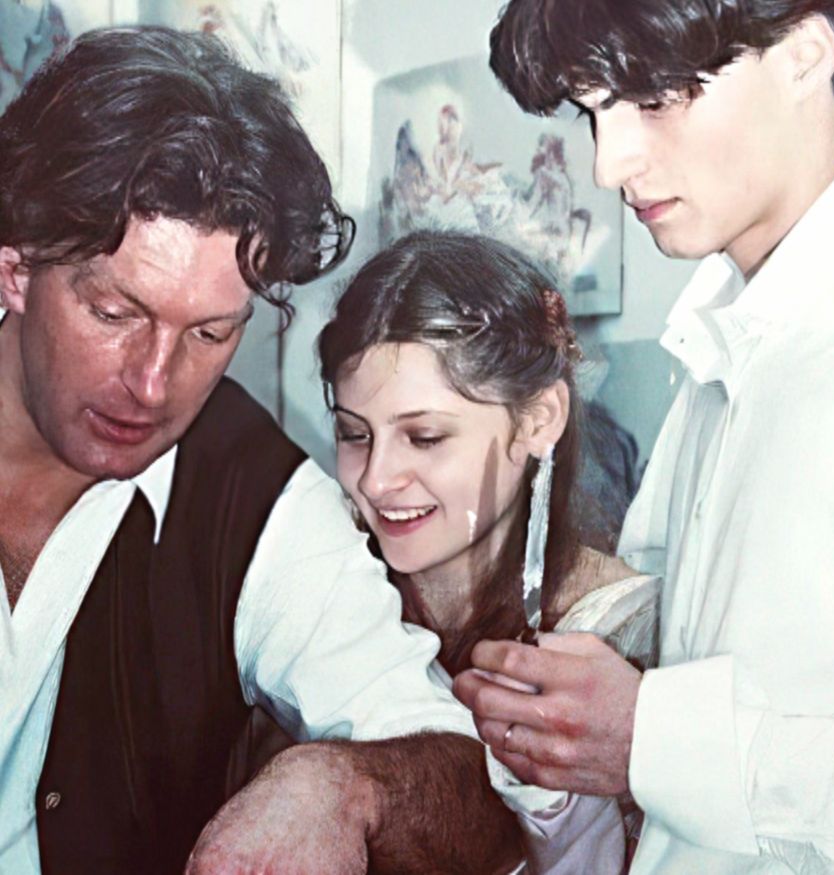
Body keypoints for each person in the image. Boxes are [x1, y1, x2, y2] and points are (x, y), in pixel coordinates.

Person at [0, 25, 524, 875]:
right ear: (17, 269)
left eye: (210, 333)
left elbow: (478, 796)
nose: (153, 383)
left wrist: (346, 787)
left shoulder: (255, 494)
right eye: (115, 314)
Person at [454, 1, 834, 873]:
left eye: (653, 100)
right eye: (592, 111)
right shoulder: (730, 332)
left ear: (803, 56)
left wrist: (652, 737)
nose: (609, 164)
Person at [318, 230, 660, 873]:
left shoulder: (628, 642)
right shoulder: (332, 610)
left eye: (424, 437)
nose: (376, 480)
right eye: (353, 435)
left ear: (537, 420)